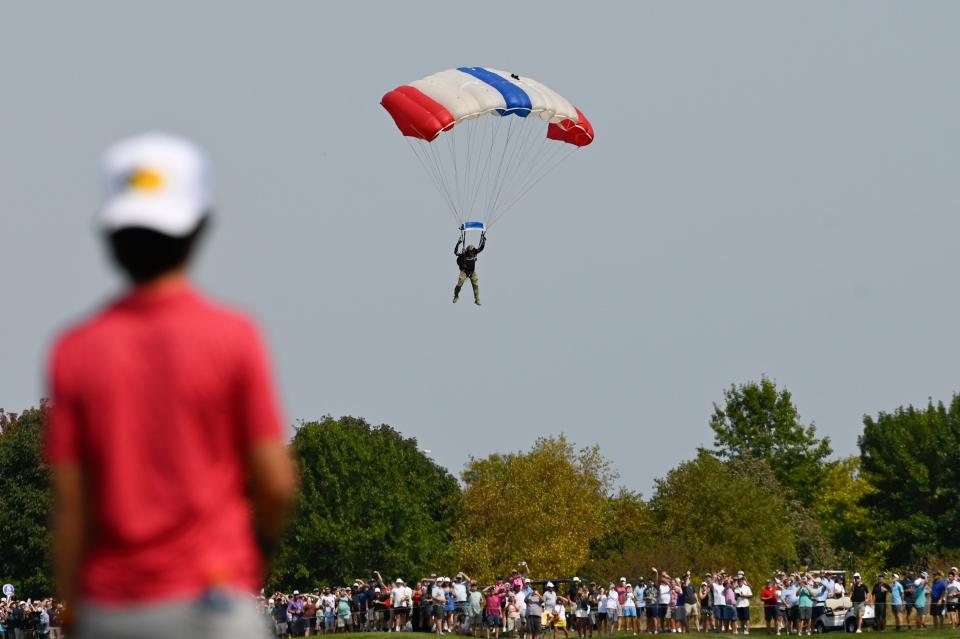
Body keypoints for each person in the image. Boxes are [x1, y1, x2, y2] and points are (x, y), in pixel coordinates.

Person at [46, 133, 297, 639]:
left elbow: (72, 501)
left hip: (114, 608)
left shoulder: (75, 350)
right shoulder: (234, 337)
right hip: (214, 598)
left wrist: (72, 606)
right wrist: (253, 555)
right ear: (199, 227)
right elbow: (276, 483)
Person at [453, 232, 486, 305]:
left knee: (475, 285)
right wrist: (458, 243)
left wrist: (483, 240)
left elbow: (481, 248)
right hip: (464, 272)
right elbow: (455, 253)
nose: (471, 254)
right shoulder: (463, 255)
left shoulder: (475, 252)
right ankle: (456, 296)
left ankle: (477, 299)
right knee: (460, 282)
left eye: (472, 252)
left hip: (472, 272)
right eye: (470, 252)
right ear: (468, 251)